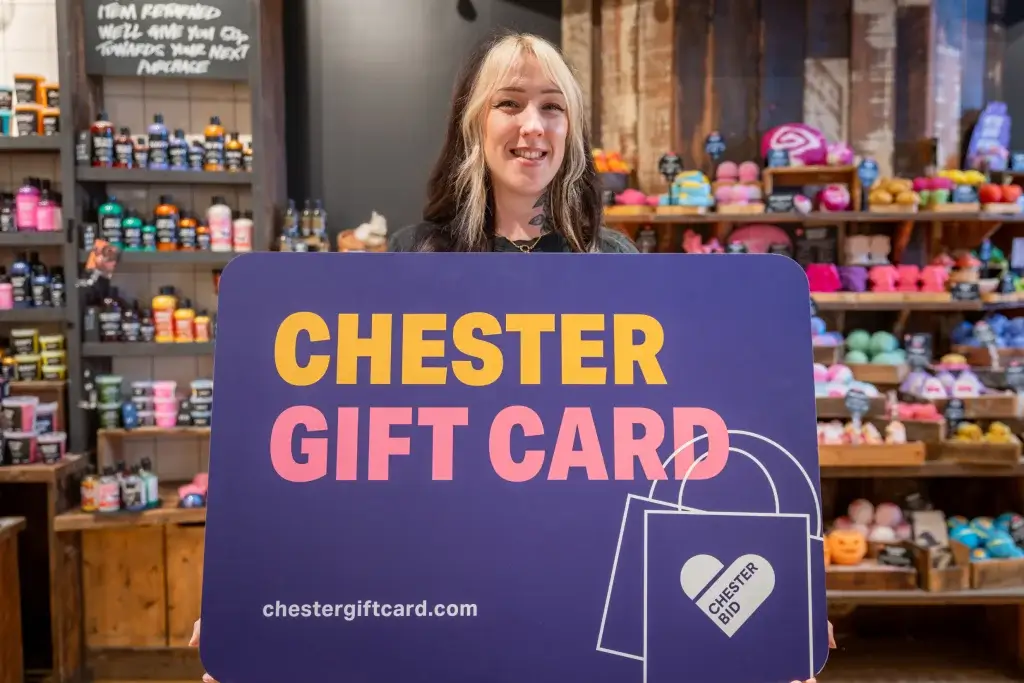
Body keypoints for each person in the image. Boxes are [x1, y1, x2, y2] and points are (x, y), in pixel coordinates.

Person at [189, 30, 836, 682]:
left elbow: (672, 439)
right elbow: (357, 447)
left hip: (581, 583)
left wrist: (780, 604)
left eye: (552, 107)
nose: (533, 125)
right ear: (473, 122)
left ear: (572, 129)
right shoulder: (419, 256)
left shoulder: (613, 260)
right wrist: (249, 610)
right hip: (450, 584)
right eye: (510, 103)